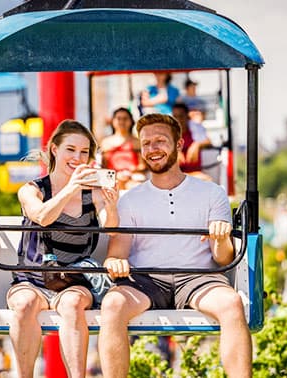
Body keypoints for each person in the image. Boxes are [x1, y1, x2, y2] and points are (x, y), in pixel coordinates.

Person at [98, 113, 252, 378]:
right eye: (146, 143)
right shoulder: (130, 200)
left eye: (160, 141)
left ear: (179, 145)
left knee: (231, 303)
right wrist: (115, 263)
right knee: (112, 305)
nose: (152, 149)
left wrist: (221, 238)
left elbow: (224, 259)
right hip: (146, 280)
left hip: (198, 278)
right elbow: (116, 255)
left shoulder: (212, 194)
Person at [7, 119, 119, 378]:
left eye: (83, 153)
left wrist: (111, 205)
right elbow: (42, 216)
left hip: (72, 277)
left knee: (73, 304)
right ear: (55, 150)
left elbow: (111, 228)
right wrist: (70, 188)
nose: (77, 158)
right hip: (33, 276)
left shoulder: (93, 192)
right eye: (71, 150)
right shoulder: (32, 190)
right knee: (24, 304)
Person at [100, 107, 147, 190]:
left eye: (125, 119)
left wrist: (129, 173)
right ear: (113, 121)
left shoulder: (138, 142)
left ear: (131, 121)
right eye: (118, 118)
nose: (122, 122)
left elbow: (143, 165)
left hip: (133, 178)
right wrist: (116, 175)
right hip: (111, 179)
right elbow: (102, 166)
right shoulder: (105, 143)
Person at [171, 102, 212, 179]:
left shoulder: (195, 131)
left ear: (187, 116)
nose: (178, 120)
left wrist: (196, 145)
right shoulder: (169, 135)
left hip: (195, 174)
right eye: (175, 117)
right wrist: (174, 151)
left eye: (181, 116)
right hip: (176, 177)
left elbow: (209, 141)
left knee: (207, 180)